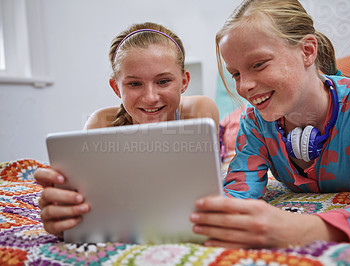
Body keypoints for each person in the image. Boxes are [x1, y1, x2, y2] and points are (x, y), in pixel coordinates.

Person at [189, 0, 350, 249]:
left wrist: (297, 230)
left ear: (308, 51)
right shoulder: (254, 121)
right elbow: (239, 192)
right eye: (236, 74)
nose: (244, 86)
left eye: (258, 64)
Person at [34, 22, 219, 238]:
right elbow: (94, 200)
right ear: (116, 87)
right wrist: (67, 216)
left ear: (184, 82)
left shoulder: (198, 111)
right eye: (134, 84)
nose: (150, 97)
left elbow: (191, 193)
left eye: (163, 81)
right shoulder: (100, 123)